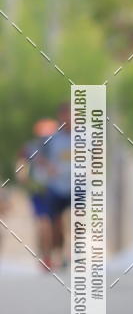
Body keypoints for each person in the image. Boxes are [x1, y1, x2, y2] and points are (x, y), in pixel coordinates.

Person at [17, 119, 58, 271]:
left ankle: (58, 254)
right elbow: (21, 165)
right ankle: (45, 256)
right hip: (38, 191)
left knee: (57, 225)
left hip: (56, 191)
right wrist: (24, 178)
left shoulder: (58, 149)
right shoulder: (30, 148)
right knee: (43, 224)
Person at [45, 103, 72, 268]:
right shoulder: (53, 139)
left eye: (69, 115)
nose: (67, 119)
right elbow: (43, 159)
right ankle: (60, 254)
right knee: (58, 224)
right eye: (63, 116)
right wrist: (49, 168)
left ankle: (75, 252)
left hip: (78, 185)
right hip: (57, 187)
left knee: (77, 218)